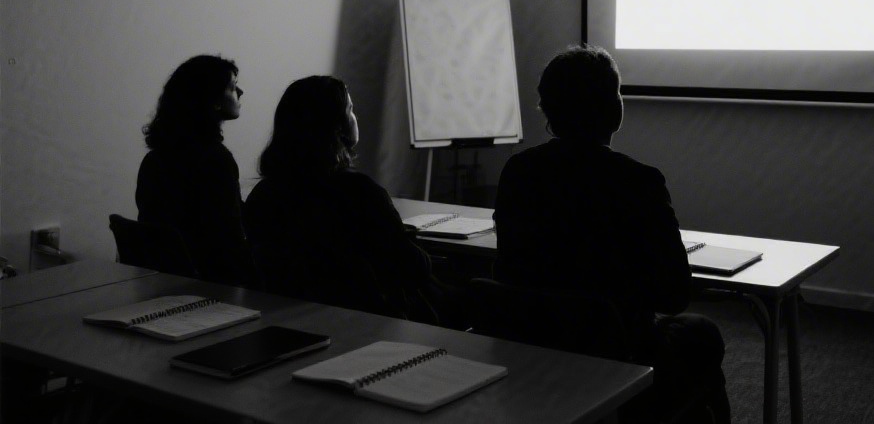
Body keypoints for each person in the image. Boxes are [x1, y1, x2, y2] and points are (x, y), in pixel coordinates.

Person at [494, 45, 731, 424]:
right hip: (618, 351)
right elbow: (674, 295)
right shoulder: (639, 182)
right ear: (614, 109)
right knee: (703, 336)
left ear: (548, 109)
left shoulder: (518, 171)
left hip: (534, 343)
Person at [243, 75, 453, 326]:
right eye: (350, 110)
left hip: (292, 321)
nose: (356, 117)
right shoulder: (360, 192)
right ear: (336, 126)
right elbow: (412, 268)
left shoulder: (262, 195)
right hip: (368, 323)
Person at [136, 54, 257, 287]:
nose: (240, 92)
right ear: (213, 99)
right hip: (210, 288)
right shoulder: (216, 161)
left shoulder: (154, 160)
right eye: (232, 87)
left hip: (161, 283)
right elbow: (228, 242)